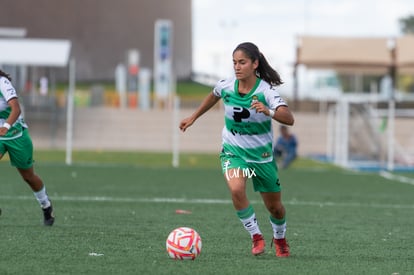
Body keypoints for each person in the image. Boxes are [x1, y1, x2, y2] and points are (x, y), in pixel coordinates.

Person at [180, 42, 294, 257]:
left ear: (254, 64)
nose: (237, 67)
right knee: (236, 189)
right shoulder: (226, 85)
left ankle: (279, 239)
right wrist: (193, 117)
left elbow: (289, 119)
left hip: (262, 158)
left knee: (275, 208)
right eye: (234, 62)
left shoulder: (266, 91)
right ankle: (256, 237)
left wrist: (268, 111)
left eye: (242, 62)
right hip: (234, 152)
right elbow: (213, 95)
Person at [0, 70, 54, 226]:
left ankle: (46, 205)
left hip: (16, 135)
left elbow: (16, 108)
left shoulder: (2, 83)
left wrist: (6, 126)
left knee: (28, 176)